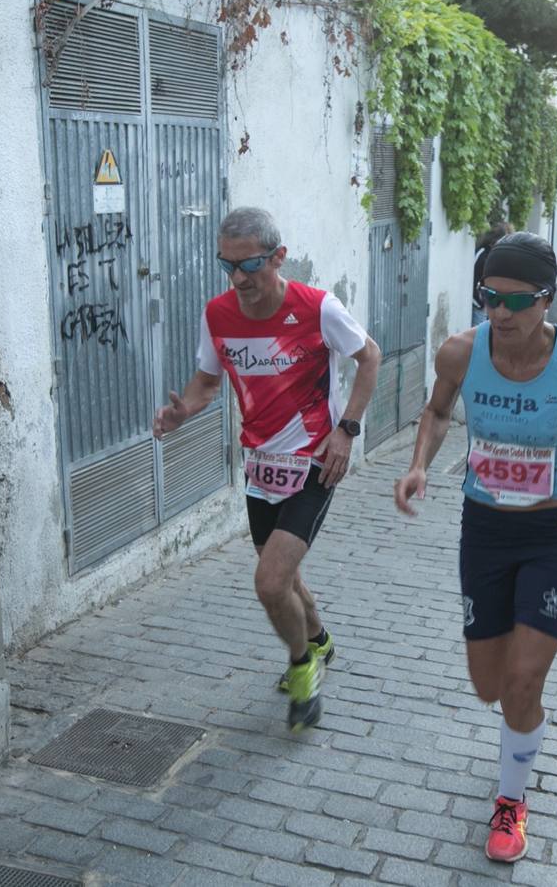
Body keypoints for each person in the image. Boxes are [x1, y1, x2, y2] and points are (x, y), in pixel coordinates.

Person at [393, 232, 557, 863]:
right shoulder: (460, 351)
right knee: (488, 685)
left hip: (554, 532)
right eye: (488, 297)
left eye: (513, 301)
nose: (498, 312)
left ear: (547, 301)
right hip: (485, 529)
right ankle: (516, 735)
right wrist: (421, 462)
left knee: (523, 682)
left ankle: (510, 801)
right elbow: (438, 411)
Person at [154, 207, 381, 731]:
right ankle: (320, 640)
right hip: (261, 467)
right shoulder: (219, 315)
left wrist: (346, 430)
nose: (238, 278)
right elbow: (207, 383)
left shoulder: (318, 309)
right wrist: (183, 409)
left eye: (250, 264)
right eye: (227, 265)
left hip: (314, 464)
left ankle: (302, 671)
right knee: (285, 578)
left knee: (269, 581)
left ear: (278, 257)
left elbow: (368, 357)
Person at [472, 223, 513, 326]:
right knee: (479, 335)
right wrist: (480, 303)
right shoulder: (483, 255)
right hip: (478, 305)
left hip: (487, 305)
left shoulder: (494, 255)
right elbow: (475, 279)